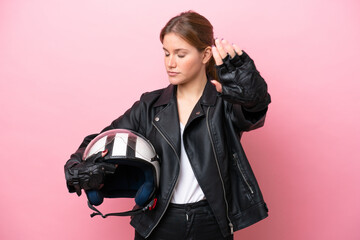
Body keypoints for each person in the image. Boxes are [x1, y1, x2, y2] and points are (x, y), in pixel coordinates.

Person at [64, 10, 271, 240]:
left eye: (180, 54)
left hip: (212, 223)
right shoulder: (149, 106)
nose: (170, 63)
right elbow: (101, 140)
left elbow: (253, 112)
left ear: (205, 55)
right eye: (166, 53)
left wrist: (253, 93)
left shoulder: (224, 102)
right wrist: (76, 164)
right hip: (159, 219)